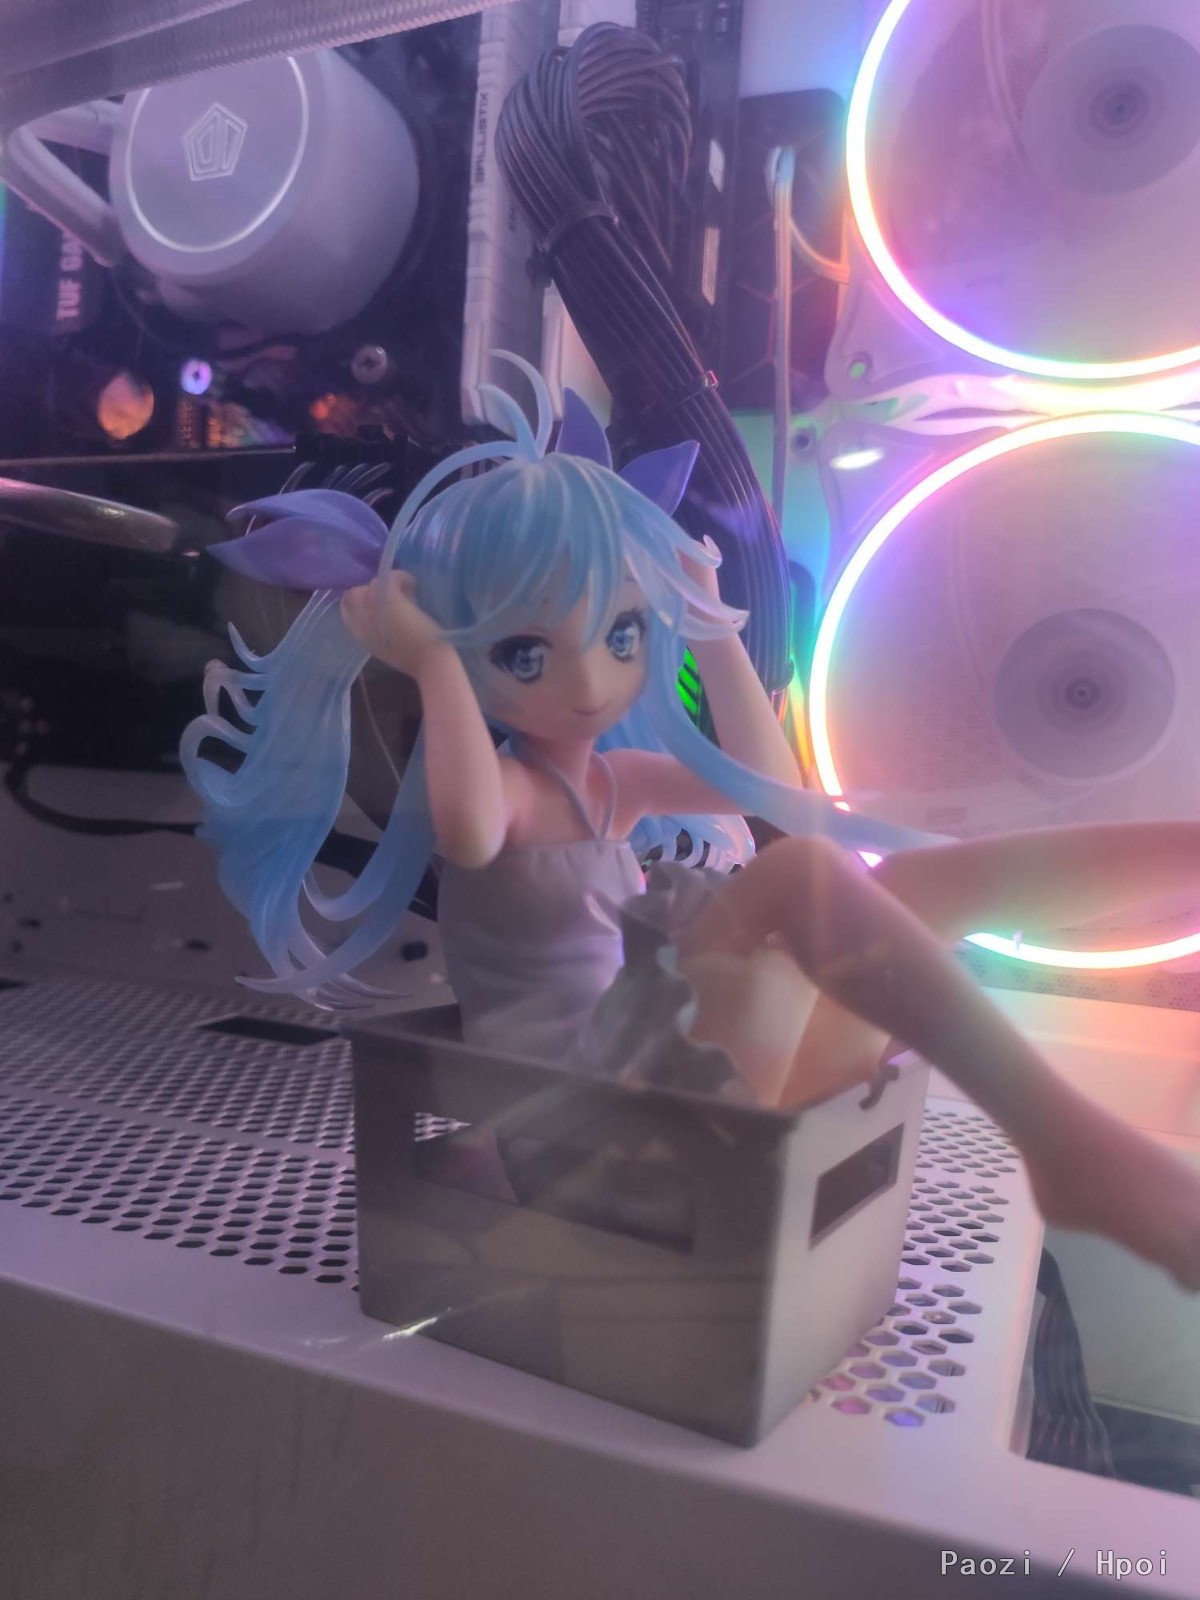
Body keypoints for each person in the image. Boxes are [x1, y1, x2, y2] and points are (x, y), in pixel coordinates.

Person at [183, 357, 1200, 1290]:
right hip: (582, 1132)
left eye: (623, 633)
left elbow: (773, 794)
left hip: (689, 1121)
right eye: (526, 654)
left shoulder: (613, 785)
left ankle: (1087, 1119)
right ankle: (1069, 1146)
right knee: (795, 882)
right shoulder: (509, 796)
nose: (591, 682)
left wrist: (711, 626)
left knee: (917, 888)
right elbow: (472, 831)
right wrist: (434, 664)